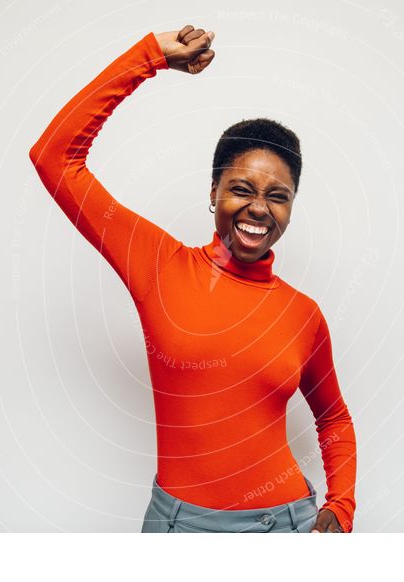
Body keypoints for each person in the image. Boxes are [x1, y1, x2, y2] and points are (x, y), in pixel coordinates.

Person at [29, 24, 357, 533]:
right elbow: (54, 157)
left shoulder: (303, 314)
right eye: (241, 188)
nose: (257, 208)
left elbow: (333, 418)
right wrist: (148, 58)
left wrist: (341, 507)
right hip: (177, 528)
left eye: (278, 196)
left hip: (285, 526)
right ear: (213, 192)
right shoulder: (159, 264)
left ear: (291, 208)